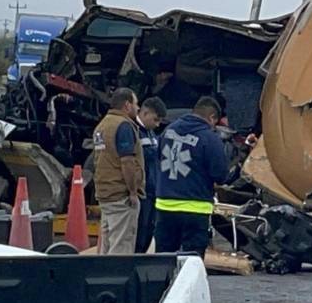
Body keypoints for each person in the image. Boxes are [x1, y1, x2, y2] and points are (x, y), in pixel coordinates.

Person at [154, 96, 232, 257]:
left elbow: (157, 158)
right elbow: (220, 175)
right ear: (212, 118)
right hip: (195, 208)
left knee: (163, 261)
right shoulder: (209, 138)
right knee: (192, 262)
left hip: (165, 206)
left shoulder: (168, 131)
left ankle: (165, 283)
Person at [92, 87, 145, 255]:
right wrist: (132, 192)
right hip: (121, 194)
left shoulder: (102, 125)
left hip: (105, 192)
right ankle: (117, 278)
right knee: (121, 245)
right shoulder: (123, 126)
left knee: (107, 245)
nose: (138, 109)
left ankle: (103, 278)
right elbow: (127, 161)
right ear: (127, 105)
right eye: (136, 104)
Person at [135, 96, 167, 253]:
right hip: (142, 191)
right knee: (140, 231)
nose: (157, 124)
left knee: (149, 230)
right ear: (145, 113)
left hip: (153, 190)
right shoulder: (134, 131)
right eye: (155, 119)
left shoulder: (152, 135)